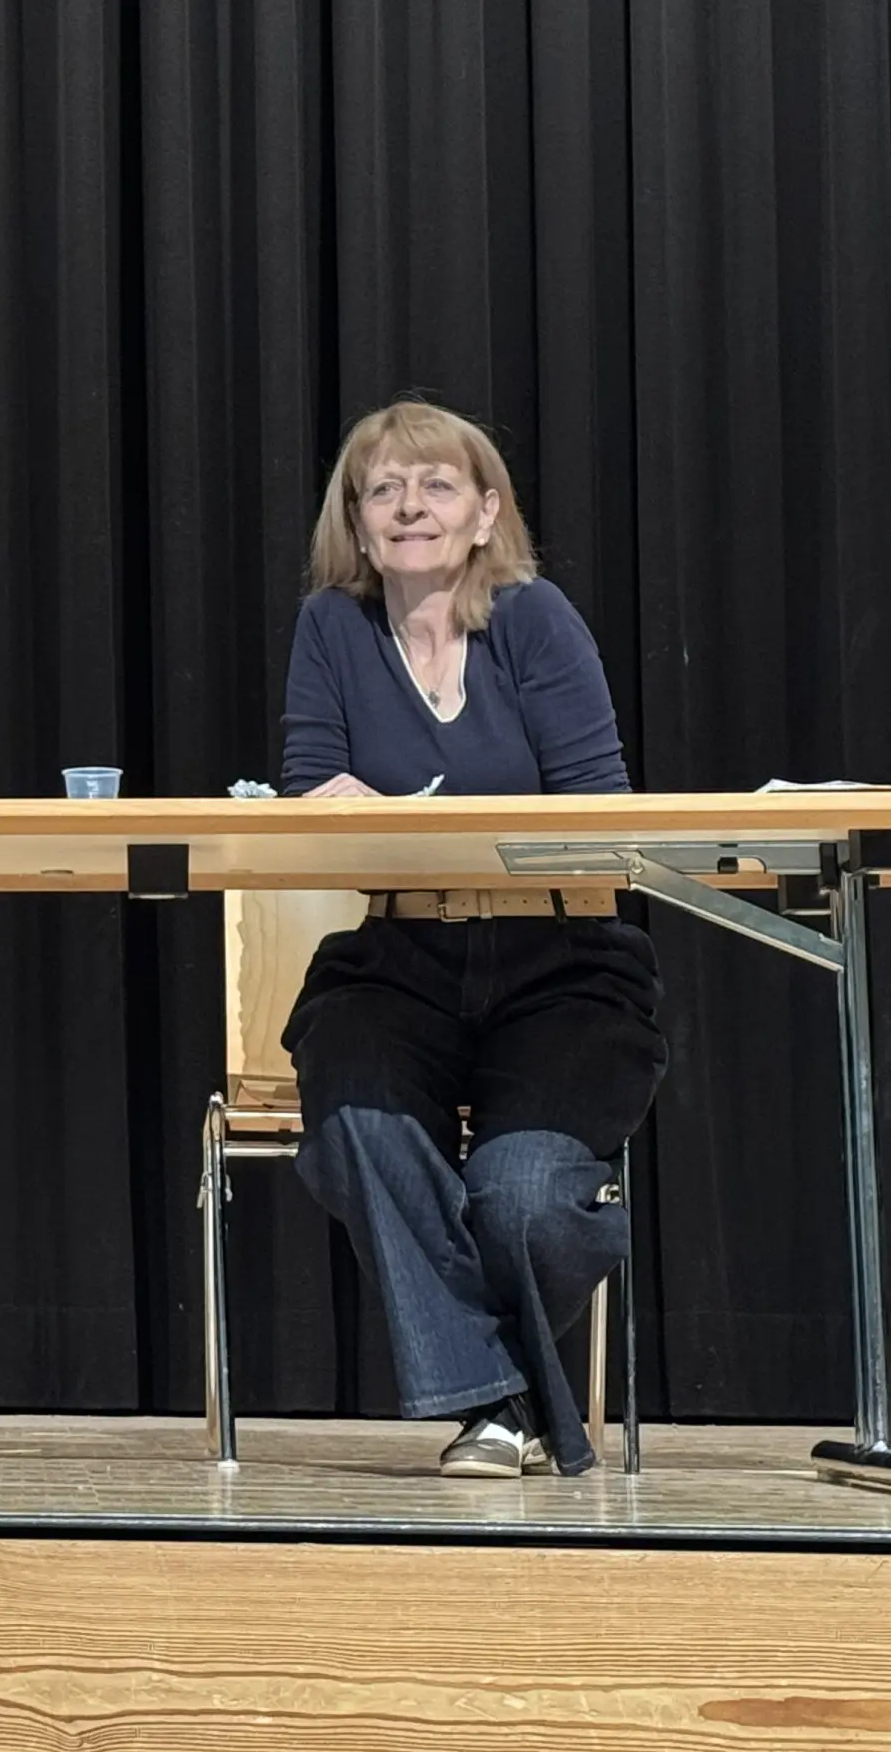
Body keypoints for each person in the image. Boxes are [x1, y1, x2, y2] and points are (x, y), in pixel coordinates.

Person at [280, 398, 662, 1477]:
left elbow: (600, 812)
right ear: (356, 525)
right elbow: (312, 796)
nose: (410, 507)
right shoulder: (331, 629)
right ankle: (503, 1402)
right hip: (398, 957)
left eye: (437, 485)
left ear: (486, 513)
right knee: (350, 1106)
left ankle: (502, 1404)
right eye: (382, 490)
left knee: (525, 1198)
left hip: (562, 966)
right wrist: (329, 810)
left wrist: (434, 823)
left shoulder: (534, 618)